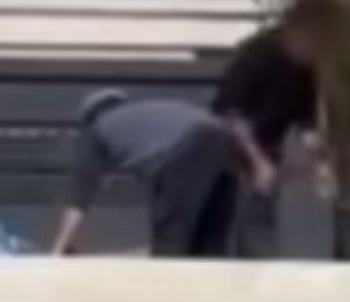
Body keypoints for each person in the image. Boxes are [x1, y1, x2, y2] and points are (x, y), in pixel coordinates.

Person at [212, 0, 342, 257]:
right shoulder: (258, 54)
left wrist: (321, 166)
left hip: (266, 152)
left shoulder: (304, 69)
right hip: (227, 151)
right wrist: (257, 162)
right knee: (238, 224)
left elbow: (307, 126)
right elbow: (231, 115)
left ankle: (261, 270)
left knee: (262, 222)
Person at [50, 89, 240, 257]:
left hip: (186, 151)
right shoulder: (146, 116)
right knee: (211, 245)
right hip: (225, 142)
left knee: (170, 243)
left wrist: (58, 249)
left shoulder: (99, 129)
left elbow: (78, 196)